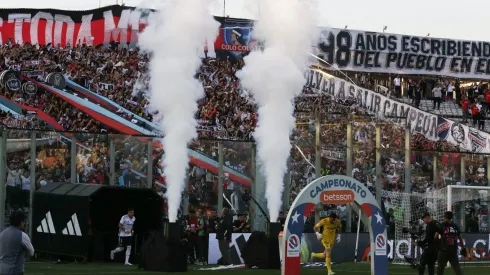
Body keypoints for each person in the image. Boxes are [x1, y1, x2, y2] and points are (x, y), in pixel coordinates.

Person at [0, 210, 35, 275]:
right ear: (21, 222)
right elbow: (32, 252)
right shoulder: (22, 235)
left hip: (2, 270)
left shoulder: (2, 233)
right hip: (15, 271)